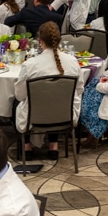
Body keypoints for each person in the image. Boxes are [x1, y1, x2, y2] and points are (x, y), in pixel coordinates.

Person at [12, 22, 82, 158]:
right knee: (57, 99)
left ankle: (26, 147)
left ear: (40, 41)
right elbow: (79, 89)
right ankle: (53, 146)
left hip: (35, 117)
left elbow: (20, 95)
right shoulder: (73, 62)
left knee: (15, 102)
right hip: (65, 115)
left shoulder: (30, 65)